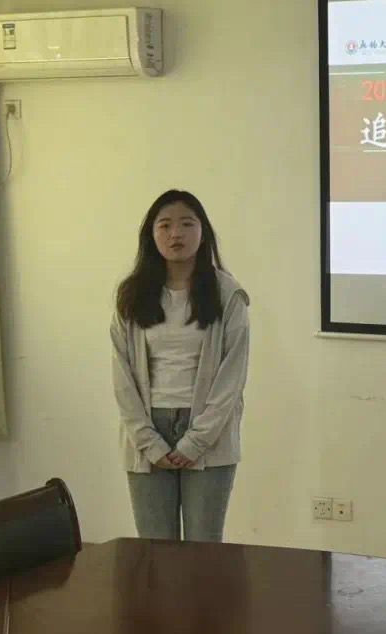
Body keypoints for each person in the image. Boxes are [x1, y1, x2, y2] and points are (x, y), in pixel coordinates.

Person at [111, 190, 250, 542]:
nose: (176, 234)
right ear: (151, 234)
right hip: (147, 431)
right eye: (165, 225)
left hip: (210, 431)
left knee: (203, 546)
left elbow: (232, 378)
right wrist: (149, 441)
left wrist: (196, 441)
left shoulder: (228, 294)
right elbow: (122, 376)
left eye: (187, 224)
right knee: (156, 548)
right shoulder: (131, 295)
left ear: (203, 232)